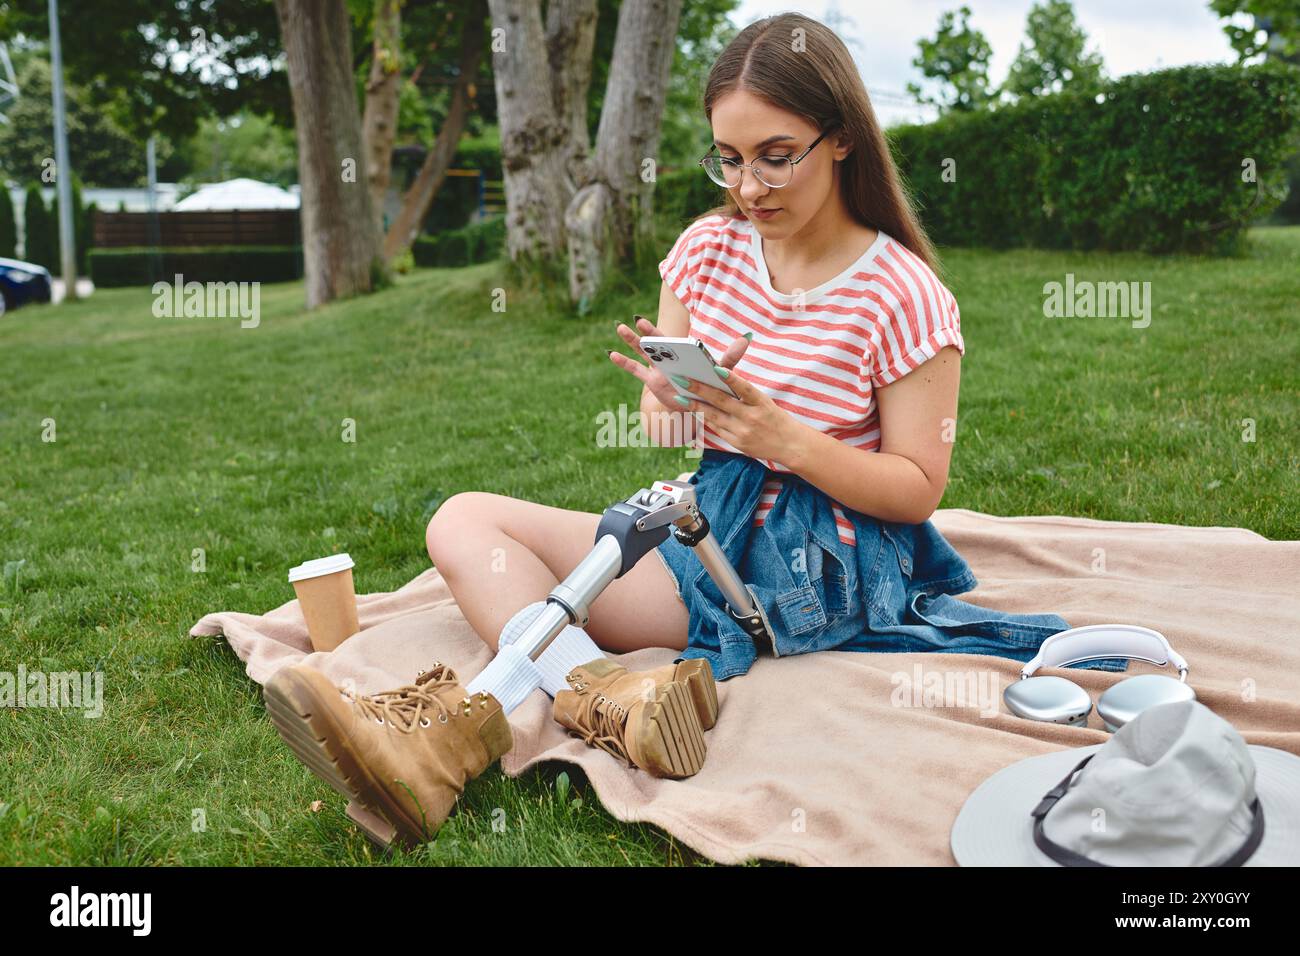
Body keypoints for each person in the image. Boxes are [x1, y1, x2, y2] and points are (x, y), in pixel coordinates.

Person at [263, 11, 1126, 850]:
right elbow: (669, 424)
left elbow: (917, 487)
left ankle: (468, 735)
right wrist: (671, 401)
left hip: (818, 551)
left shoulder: (902, 293)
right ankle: (603, 699)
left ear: (842, 140)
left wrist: (782, 437)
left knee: (501, 554)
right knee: (460, 520)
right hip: (708, 508)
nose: (749, 188)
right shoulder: (707, 251)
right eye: (730, 160)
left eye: (776, 158)